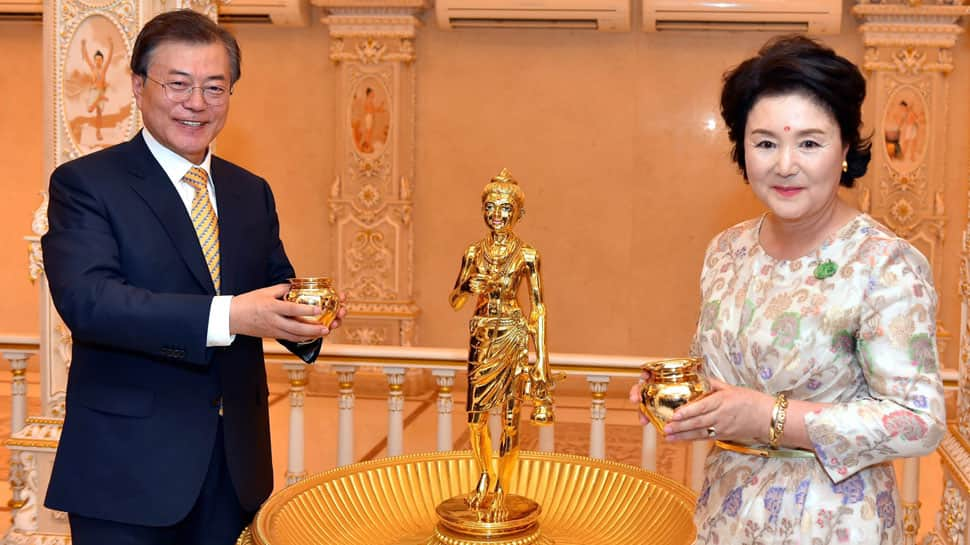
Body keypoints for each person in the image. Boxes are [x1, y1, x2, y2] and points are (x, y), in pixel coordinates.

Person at [41, 10, 344, 545]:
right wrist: (232, 314)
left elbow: (274, 285)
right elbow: (90, 302)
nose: (196, 103)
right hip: (127, 474)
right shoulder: (87, 184)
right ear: (138, 86)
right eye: (177, 84)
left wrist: (301, 318)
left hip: (235, 469)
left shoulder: (250, 191)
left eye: (214, 87)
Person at [660, 36, 945, 543]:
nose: (785, 164)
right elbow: (725, 382)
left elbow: (918, 421)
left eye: (809, 143)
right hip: (726, 512)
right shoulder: (727, 251)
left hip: (833, 522)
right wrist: (682, 397)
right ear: (741, 150)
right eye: (765, 142)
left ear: (843, 150)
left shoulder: (884, 264)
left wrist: (768, 417)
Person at [448, 168, 555, 512]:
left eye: (505, 208)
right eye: (491, 207)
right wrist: (467, 287)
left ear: (518, 213)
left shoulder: (527, 255)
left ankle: (501, 487)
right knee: (475, 418)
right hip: (481, 336)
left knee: (510, 420)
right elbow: (454, 300)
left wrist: (542, 360)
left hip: (512, 335)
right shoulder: (472, 252)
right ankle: (483, 473)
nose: (497, 214)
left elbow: (538, 309)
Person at [81, 37, 113, 140]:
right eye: (96, 60)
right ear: (95, 60)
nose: (98, 61)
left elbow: (109, 58)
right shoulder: (93, 68)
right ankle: (101, 98)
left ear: (102, 61)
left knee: (99, 114)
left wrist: (111, 44)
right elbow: (86, 57)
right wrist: (83, 46)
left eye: (100, 59)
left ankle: (98, 132)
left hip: (100, 91)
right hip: (94, 93)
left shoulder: (104, 70)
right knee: (90, 110)